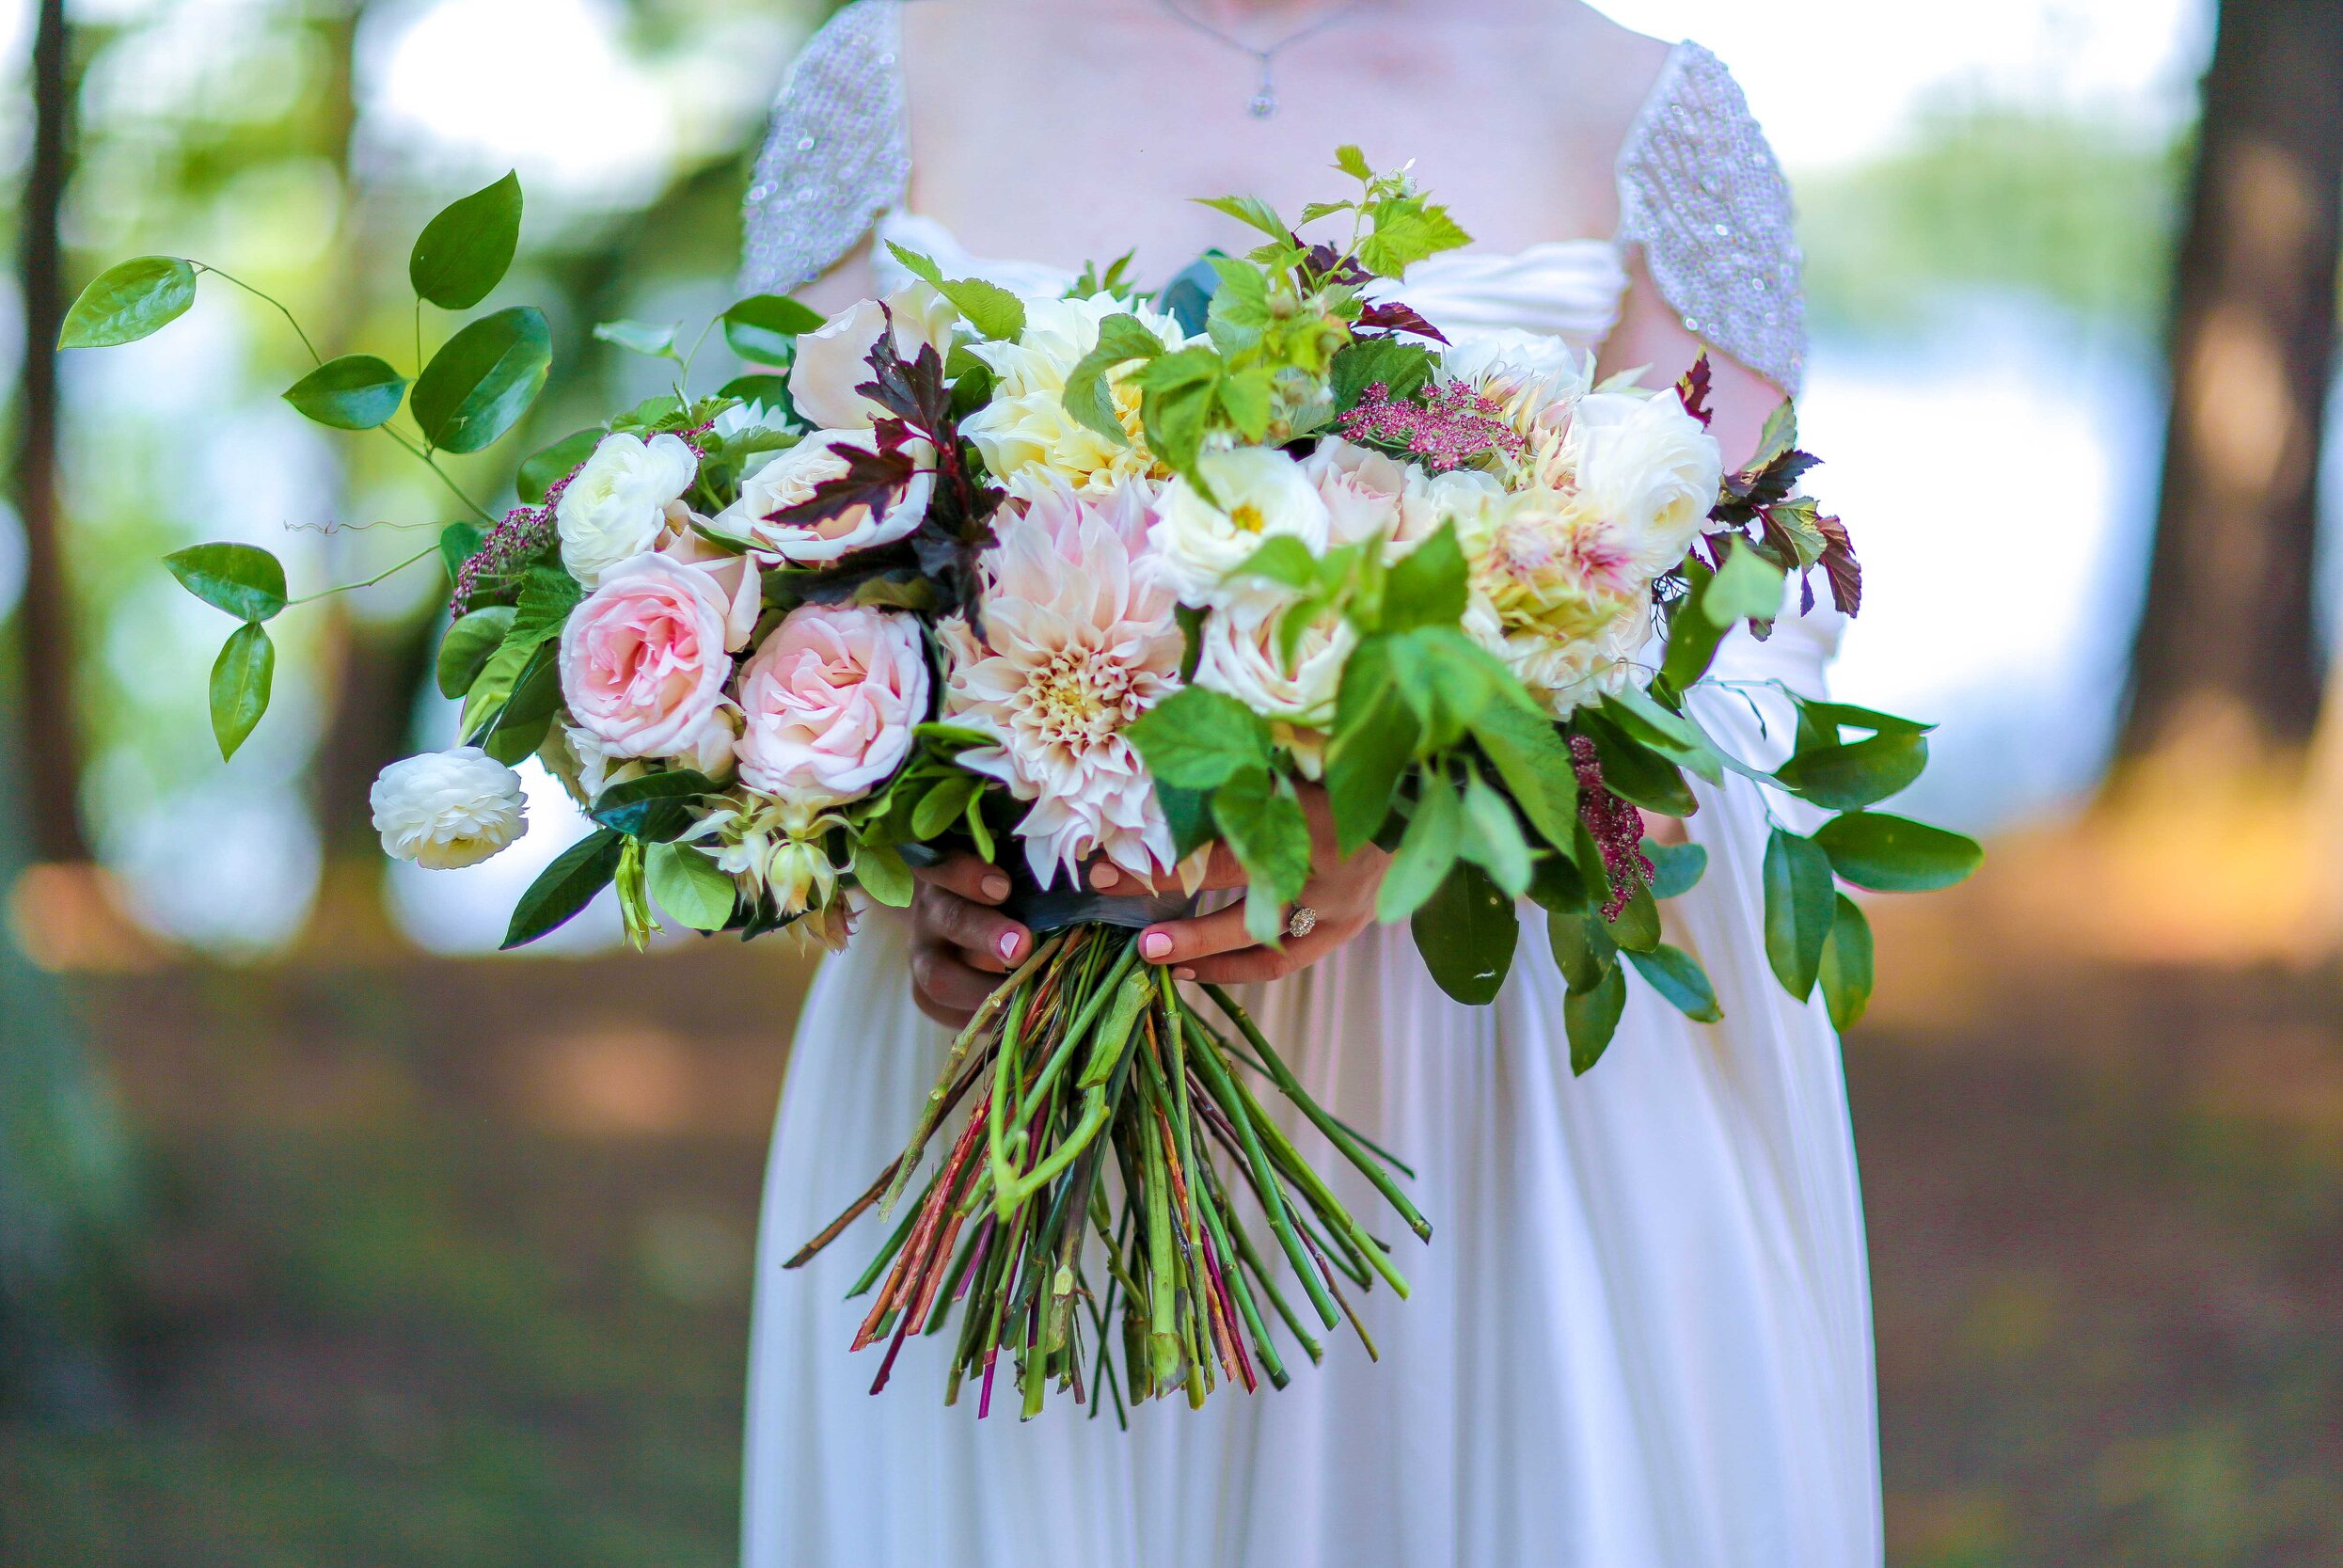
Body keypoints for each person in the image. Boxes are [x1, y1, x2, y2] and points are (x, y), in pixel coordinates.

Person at [736, 3, 1877, 1563]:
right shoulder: (890, 70)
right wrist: (897, 847)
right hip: (993, 1044)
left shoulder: (1639, 107)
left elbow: (1749, 660)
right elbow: (785, 570)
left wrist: (1427, 816)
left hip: (1481, 1083)